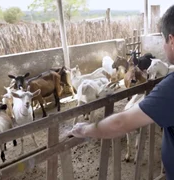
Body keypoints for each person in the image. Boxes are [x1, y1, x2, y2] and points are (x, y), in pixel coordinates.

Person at [69, 4, 174, 180]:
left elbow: (121, 123)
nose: (163, 47)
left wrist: (85, 129)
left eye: (163, 40)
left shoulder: (170, 88)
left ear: (172, 40)